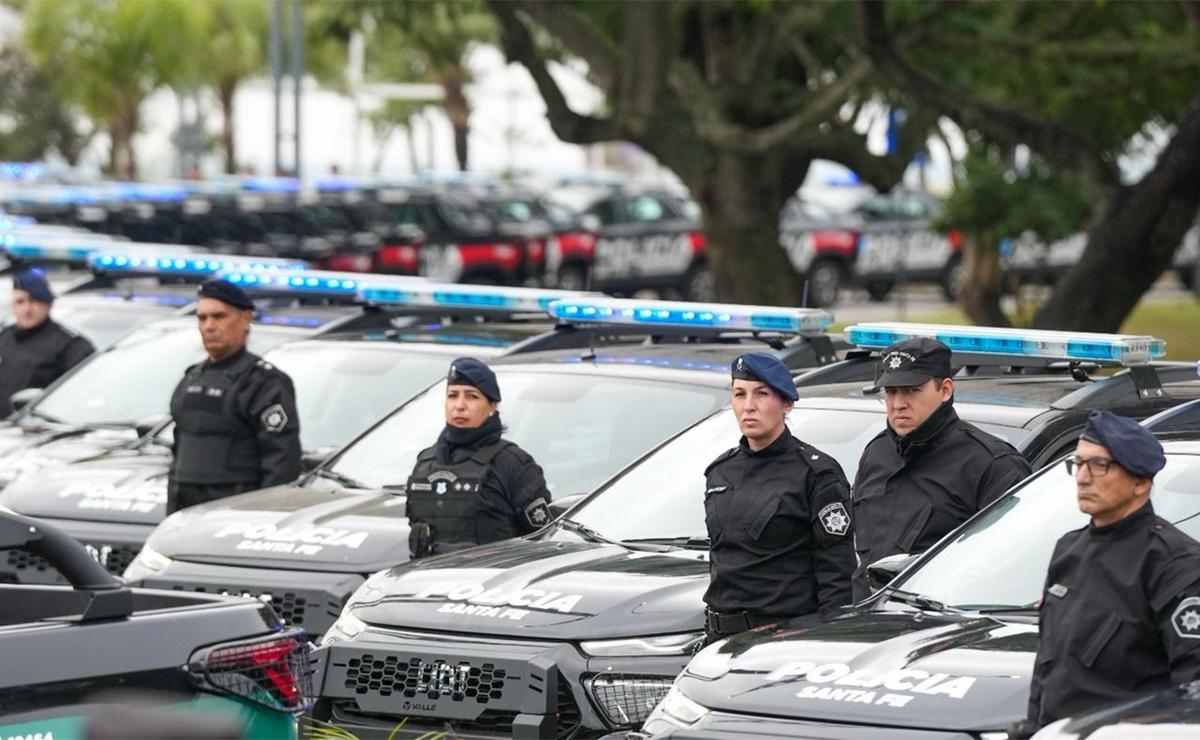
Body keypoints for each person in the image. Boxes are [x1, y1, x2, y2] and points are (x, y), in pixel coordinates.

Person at [1020, 410, 1200, 733]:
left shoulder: (1175, 564)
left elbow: (1193, 689)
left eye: (1099, 465)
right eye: (1078, 463)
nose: (1083, 477)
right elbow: (1048, 667)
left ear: (1140, 482)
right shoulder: (1069, 550)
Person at [851, 337, 1030, 598]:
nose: (898, 403)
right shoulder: (876, 453)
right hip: (864, 616)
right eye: (890, 392)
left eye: (911, 390)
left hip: (937, 617)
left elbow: (1010, 568)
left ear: (945, 390)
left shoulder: (993, 464)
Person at [702, 352, 854, 644]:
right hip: (718, 639)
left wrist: (830, 641)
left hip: (782, 641)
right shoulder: (720, 471)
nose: (748, 406)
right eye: (739, 394)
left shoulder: (816, 474)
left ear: (787, 403)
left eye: (762, 394)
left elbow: (837, 576)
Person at [167, 279, 301, 514]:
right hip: (185, 513)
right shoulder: (192, 378)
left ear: (246, 318)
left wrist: (262, 518)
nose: (209, 326)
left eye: (219, 316)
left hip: (235, 512)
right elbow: (179, 455)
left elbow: (281, 464)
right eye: (202, 318)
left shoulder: (264, 383)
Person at [407, 357, 552, 558]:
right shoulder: (425, 463)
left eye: (472, 396)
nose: (459, 405)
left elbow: (543, 542)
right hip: (428, 576)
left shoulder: (514, 465)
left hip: (495, 576)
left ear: (492, 405)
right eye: (452, 395)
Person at [0, 269, 94, 417]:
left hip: (38, 427)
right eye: (20, 302)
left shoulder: (72, 346)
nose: (26, 309)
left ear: (49, 304)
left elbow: (81, 398)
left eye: (34, 301)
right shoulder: (5, 336)